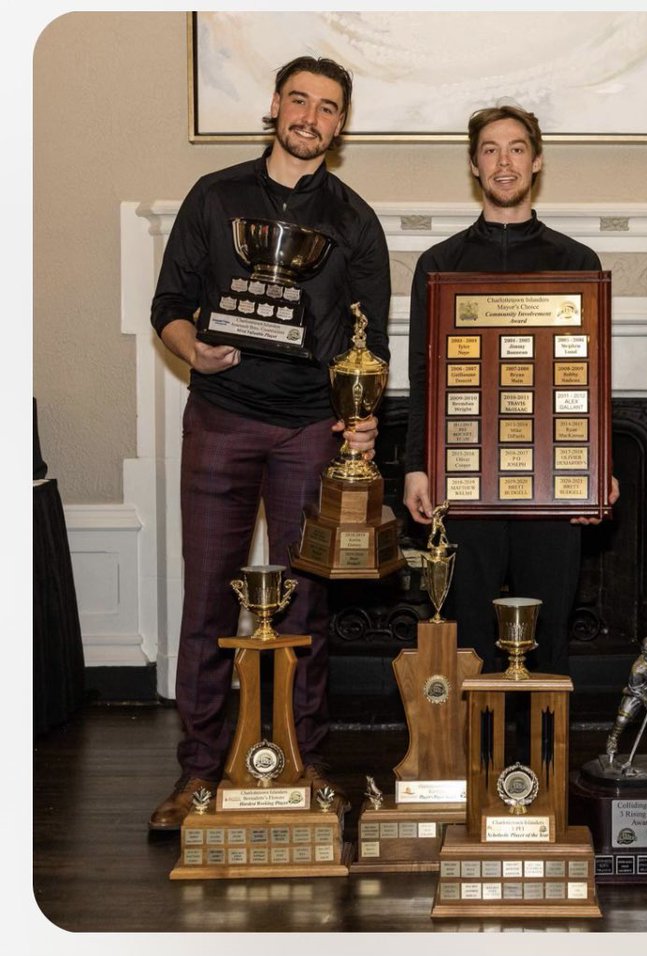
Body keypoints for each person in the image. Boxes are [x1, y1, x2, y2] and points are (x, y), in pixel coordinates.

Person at [147, 55, 391, 829]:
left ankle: (302, 757)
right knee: (209, 596)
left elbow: (370, 342)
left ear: (340, 125)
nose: (310, 118)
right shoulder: (215, 197)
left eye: (327, 108)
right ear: (275, 107)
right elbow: (169, 303)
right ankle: (198, 771)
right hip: (220, 414)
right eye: (298, 101)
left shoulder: (354, 220)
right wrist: (193, 348)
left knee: (304, 602)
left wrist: (360, 414)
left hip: (309, 429)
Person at [403, 103, 617, 677]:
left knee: (549, 633)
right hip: (462, 481)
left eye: (517, 148)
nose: (504, 162)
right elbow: (422, 375)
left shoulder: (577, 262)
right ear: (474, 165)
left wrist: (600, 468)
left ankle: (544, 759)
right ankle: (476, 756)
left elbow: (591, 383)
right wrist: (416, 467)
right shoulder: (439, 263)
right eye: (491, 150)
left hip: (552, 484)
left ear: (537, 160)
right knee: (467, 631)